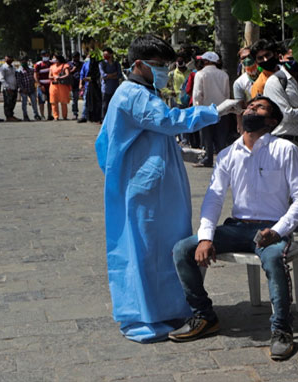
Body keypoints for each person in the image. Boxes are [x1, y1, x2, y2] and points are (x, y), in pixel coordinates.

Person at [94, 34, 238, 343]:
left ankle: (165, 308)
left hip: (148, 184)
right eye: (158, 65)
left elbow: (104, 145)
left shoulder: (137, 91)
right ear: (138, 64)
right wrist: (214, 111)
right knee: (152, 252)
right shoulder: (135, 95)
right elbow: (171, 120)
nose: (163, 70)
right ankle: (151, 315)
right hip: (149, 190)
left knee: (154, 249)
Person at [170, 96, 298, 361]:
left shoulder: (285, 149)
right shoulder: (227, 154)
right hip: (236, 228)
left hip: (271, 230)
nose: (250, 109)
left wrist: (278, 231)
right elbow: (213, 198)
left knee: (273, 259)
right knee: (182, 249)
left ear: (272, 121)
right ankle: (204, 316)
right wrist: (205, 237)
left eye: (259, 108)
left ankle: (282, 330)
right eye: (249, 106)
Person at [192, 51, 230, 168]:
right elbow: (227, 93)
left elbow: (197, 94)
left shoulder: (200, 74)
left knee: (207, 136)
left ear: (206, 61)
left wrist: (196, 109)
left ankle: (208, 159)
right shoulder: (224, 75)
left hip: (205, 109)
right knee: (221, 137)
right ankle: (223, 160)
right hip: (222, 109)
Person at [232, 54, 259, 132]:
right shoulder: (239, 83)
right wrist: (240, 125)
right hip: (251, 118)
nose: (252, 71)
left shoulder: (264, 75)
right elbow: (238, 106)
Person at [99, 47, 122, 120]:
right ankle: (104, 119)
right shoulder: (102, 64)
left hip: (115, 88)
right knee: (105, 105)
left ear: (111, 54)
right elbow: (103, 75)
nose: (105, 56)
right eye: (104, 55)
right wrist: (113, 75)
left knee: (115, 104)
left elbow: (119, 75)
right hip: (105, 88)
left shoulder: (116, 64)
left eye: (107, 54)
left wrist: (109, 76)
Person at [16, 56, 40, 121]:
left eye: (24, 60)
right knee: (24, 103)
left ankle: (36, 115)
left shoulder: (31, 69)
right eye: (22, 61)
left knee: (34, 102)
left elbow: (33, 78)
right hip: (23, 90)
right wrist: (22, 89)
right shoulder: (18, 71)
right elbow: (18, 81)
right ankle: (25, 115)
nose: (23, 62)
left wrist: (34, 86)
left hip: (31, 89)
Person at [49, 54, 72, 120]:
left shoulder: (65, 65)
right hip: (53, 86)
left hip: (62, 85)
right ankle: (56, 116)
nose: (53, 60)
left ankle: (64, 116)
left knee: (63, 102)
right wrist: (54, 77)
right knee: (53, 102)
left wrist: (60, 77)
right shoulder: (52, 67)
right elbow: (49, 76)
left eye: (54, 58)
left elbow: (67, 74)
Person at [0, 55, 20, 122]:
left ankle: (11, 115)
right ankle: (8, 116)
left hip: (14, 87)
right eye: (7, 58)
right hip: (8, 89)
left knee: (13, 102)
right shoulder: (3, 67)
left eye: (10, 58)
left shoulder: (13, 67)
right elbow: (1, 78)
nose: (9, 59)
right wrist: (7, 87)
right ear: (5, 59)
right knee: (8, 103)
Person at [34, 50, 53, 120]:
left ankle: (49, 115)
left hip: (50, 85)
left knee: (50, 101)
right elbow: (35, 75)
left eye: (47, 55)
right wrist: (39, 85)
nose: (46, 57)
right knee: (41, 101)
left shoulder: (51, 63)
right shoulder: (38, 64)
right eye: (44, 55)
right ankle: (42, 115)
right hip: (41, 86)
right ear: (41, 56)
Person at [68, 52, 84, 120]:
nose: (76, 58)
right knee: (74, 99)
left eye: (77, 57)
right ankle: (75, 113)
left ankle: (85, 114)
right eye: (74, 57)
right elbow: (67, 73)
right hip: (73, 83)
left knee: (85, 99)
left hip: (81, 83)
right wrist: (73, 70)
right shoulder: (69, 64)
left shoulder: (82, 64)